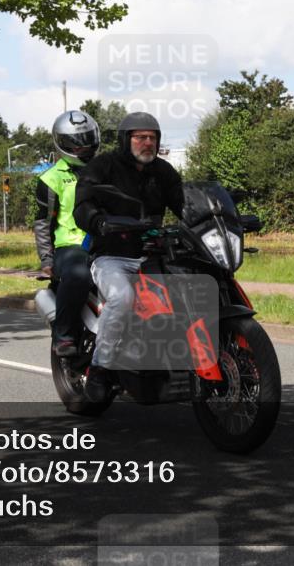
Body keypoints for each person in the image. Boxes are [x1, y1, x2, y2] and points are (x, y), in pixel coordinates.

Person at [73, 112, 185, 402]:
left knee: (182, 296)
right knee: (122, 297)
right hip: (112, 254)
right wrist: (97, 221)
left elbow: (185, 203)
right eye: (140, 137)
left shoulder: (164, 172)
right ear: (126, 140)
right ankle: (100, 367)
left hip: (152, 254)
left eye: (152, 138)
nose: (147, 143)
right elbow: (83, 203)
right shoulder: (104, 166)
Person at [34, 110, 102, 357]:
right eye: (77, 141)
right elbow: (42, 223)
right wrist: (47, 260)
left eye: (87, 138)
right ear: (63, 143)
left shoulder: (106, 169)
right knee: (78, 274)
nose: (84, 146)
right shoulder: (50, 179)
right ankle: (63, 334)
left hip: (108, 239)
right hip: (72, 245)